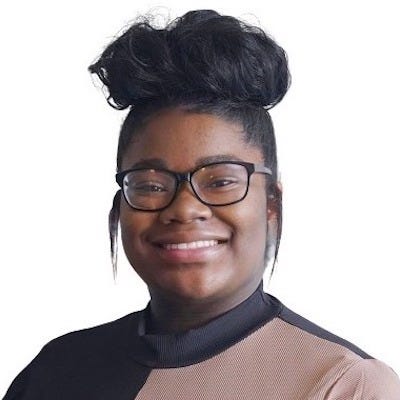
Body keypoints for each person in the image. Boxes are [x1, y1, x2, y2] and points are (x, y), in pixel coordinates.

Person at [3, 9, 400, 400]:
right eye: (152, 185)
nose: (185, 209)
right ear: (119, 209)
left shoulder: (345, 384)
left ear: (271, 205)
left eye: (222, 181)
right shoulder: (58, 367)